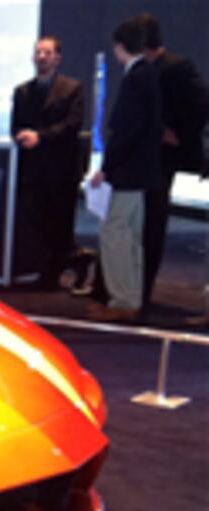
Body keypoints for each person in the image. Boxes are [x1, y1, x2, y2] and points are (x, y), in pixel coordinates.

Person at [88, 19, 162, 323]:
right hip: (142, 172)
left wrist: (106, 167)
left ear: (120, 47)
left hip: (127, 173)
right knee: (131, 236)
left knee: (115, 234)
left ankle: (122, 300)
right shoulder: (150, 75)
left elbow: (125, 131)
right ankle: (130, 298)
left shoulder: (135, 79)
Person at [137, 13, 207, 310]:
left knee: (153, 221)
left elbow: (202, 104)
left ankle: (144, 290)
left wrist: (178, 133)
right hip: (143, 154)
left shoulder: (178, 67)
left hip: (163, 157)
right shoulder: (144, 68)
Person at [10, 36, 85, 289]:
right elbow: (16, 126)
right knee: (36, 221)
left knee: (60, 222)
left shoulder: (73, 88)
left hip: (61, 169)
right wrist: (22, 136)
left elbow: (72, 125)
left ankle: (61, 268)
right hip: (32, 170)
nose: (41, 57)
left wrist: (40, 137)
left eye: (47, 52)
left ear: (57, 58)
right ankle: (57, 266)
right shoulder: (22, 91)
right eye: (38, 52)